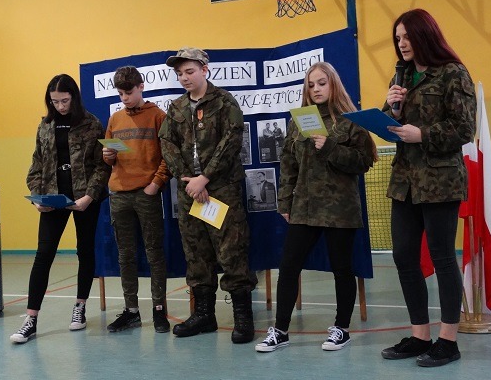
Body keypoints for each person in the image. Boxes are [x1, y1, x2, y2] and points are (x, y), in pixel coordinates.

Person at [255, 62, 377, 353]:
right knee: (288, 266)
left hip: (340, 209)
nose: (316, 89)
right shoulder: (299, 122)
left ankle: (341, 329)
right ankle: (280, 331)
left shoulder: (351, 122)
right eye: (311, 85)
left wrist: (331, 146)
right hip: (305, 207)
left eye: (322, 83)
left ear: (333, 84)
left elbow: (364, 162)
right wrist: (285, 202)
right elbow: (288, 166)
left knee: (342, 268)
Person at [379, 9, 476, 367]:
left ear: (424, 35)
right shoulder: (401, 76)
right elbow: (388, 125)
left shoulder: (452, 73)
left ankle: (448, 340)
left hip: (440, 180)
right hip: (405, 181)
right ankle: (420, 335)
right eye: (398, 38)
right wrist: (391, 111)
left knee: (442, 256)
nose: (401, 43)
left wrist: (423, 134)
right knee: (404, 256)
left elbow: (465, 128)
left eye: (407, 36)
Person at [159, 47, 257, 344]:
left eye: (189, 71)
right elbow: (166, 143)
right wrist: (188, 179)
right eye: (179, 73)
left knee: (231, 251)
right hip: (189, 191)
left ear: (204, 69)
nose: (184, 78)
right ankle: (204, 315)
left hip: (221, 189)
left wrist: (205, 177)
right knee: (196, 252)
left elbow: (231, 141)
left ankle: (243, 318)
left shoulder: (225, 102)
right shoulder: (176, 108)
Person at [11, 74, 111, 344]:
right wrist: (37, 196)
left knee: (85, 251)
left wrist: (90, 196)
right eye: (55, 101)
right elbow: (36, 164)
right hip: (53, 199)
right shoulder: (45, 126)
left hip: (84, 198)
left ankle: (80, 306)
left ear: (74, 98)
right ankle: (31, 319)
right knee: (43, 254)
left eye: (65, 101)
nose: (60, 106)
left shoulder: (92, 124)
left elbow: (102, 166)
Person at [102, 66, 171, 334]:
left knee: (154, 253)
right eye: (120, 94)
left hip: (146, 193)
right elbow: (109, 157)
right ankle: (131, 311)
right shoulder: (115, 119)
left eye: (129, 92)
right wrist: (108, 156)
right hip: (119, 194)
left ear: (141, 87)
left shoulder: (158, 116)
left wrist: (156, 184)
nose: (125, 98)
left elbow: (169, 156)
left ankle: (159, 310)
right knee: (125, 255)